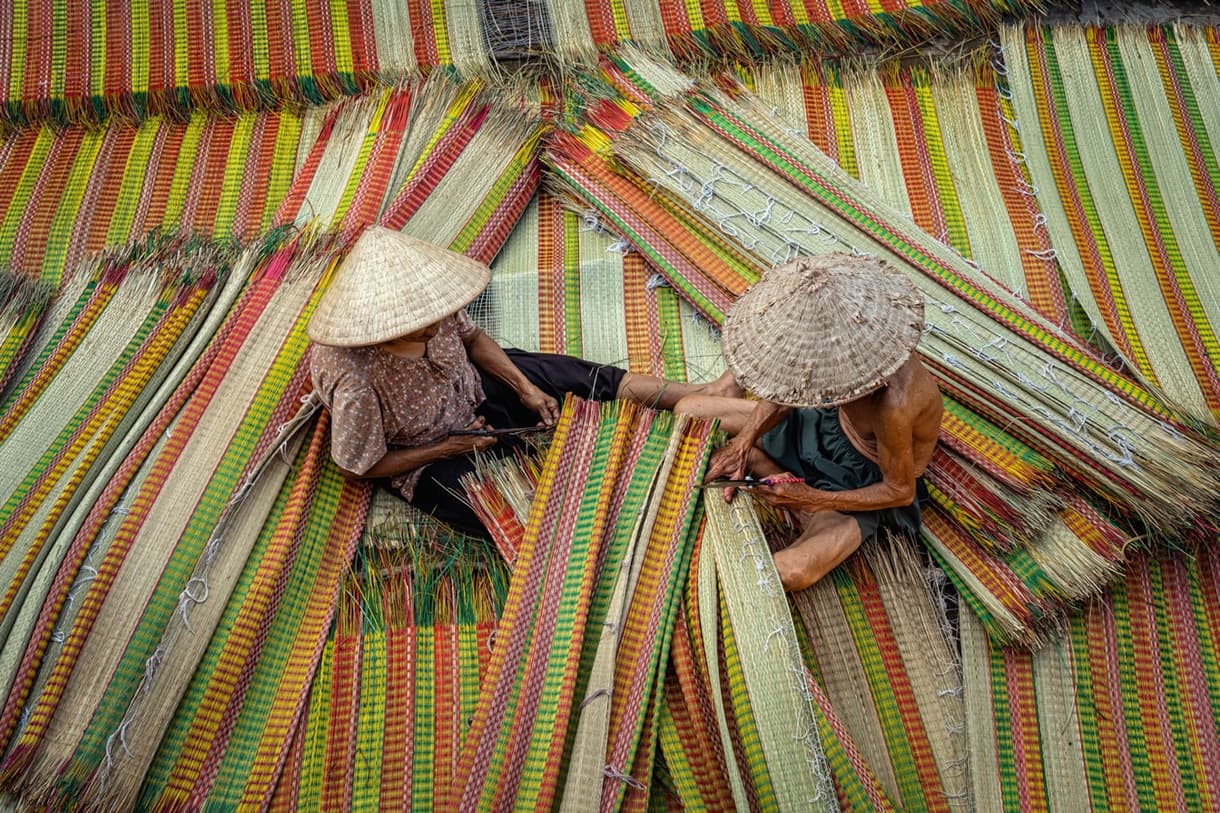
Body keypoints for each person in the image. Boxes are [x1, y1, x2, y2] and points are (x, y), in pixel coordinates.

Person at [307, 225, 739, 538]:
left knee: (576, 379)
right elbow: (357, 467)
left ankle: (700, 395)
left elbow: (472, 338)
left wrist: (523, 387)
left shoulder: (430, 307)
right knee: (521, 509)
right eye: (420, 327)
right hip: (428, 454)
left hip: (472, 386)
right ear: (381, 328)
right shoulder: (357, 379)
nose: (436, 328)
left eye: (436, 318)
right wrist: (447, 448)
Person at [676, 253, 942, 592]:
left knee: (788, 573)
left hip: (861, 480)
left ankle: (797, 498)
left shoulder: (895, 403)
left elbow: (900, 492)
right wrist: (743, 442)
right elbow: (792, 382)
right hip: (823, 427)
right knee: (690, 409)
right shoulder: (828, 350)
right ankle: (763, 463)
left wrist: (813, 498)